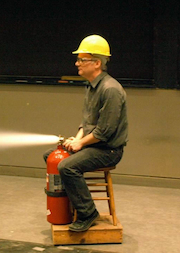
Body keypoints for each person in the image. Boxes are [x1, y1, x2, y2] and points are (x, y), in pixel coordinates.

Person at [43, 34, 128, 232]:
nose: (77, 63)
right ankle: (68, 200)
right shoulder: (92, 87)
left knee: (67, 167)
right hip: (93, 144)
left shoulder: (111, 90)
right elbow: (87, 122)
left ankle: (88, 213)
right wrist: (78, 138)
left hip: (108, 150)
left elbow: (105, 132)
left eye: (82, 59)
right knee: (50, 156)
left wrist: (81, 144)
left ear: (97, 63)